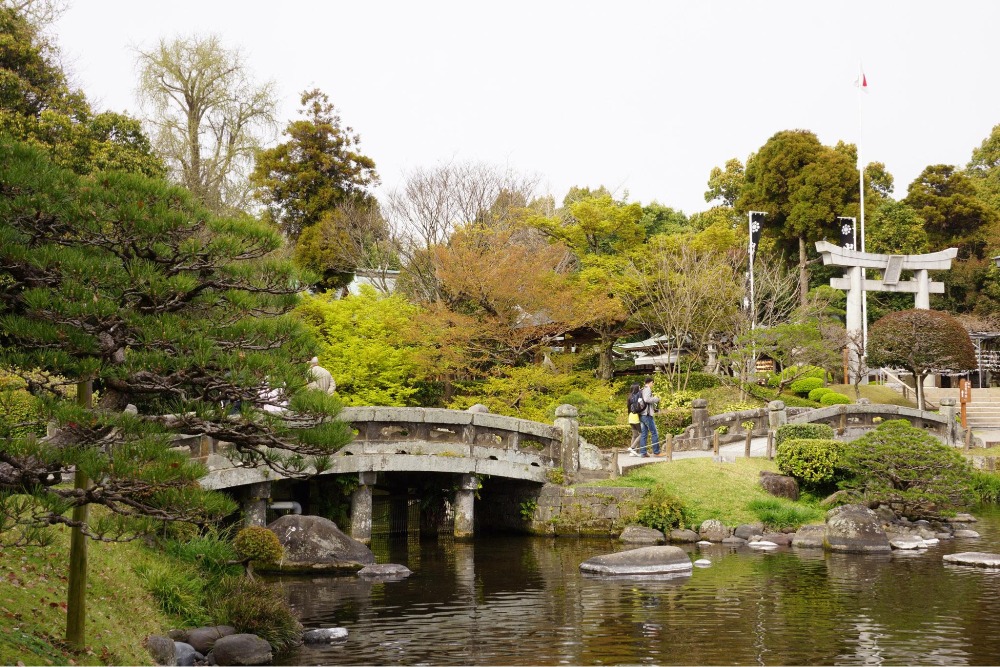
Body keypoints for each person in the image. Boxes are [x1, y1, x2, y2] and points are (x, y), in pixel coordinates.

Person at [638, 376, 662, 457]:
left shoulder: (642, 389)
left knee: (644, 434)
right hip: (647, 415)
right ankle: (656, 452)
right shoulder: (648, 389)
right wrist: (656, 399)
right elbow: (647, 399)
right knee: (654, 433)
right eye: (653, 383)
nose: (653, 385)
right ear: (651, 382)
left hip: (641, 414)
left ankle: (643, 453)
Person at [626, 382, 642, 456]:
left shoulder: (629, 396)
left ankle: (632, 453)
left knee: (634, 435)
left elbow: (628, 408)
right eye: (639, 387)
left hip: (630, 417)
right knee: (642, 434)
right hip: (636, 417)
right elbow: (640, 406)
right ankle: (632, 448)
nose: (640, 388)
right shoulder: (638, 396)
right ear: (636, 388)